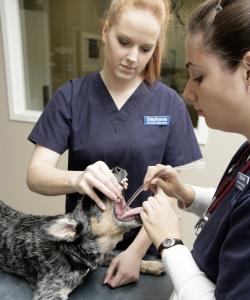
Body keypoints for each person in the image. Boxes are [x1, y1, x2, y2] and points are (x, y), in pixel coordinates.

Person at [26, 0, 202, 288]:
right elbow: (36, 174)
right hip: (81, 251)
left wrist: (134, 254)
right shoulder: (71, 98)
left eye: (145, 49)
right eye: (124, 42)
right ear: (105, 30)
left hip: (146, 253)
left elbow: (168, 195)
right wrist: (78, 178)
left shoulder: (169, 105)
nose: (133, 57)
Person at [140, 0, 250, 298]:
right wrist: (185, 194)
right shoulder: (246, 151)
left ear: (248, 70)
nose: (187, 93)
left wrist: (169, 243)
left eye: (198, 76)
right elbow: (235, 204)